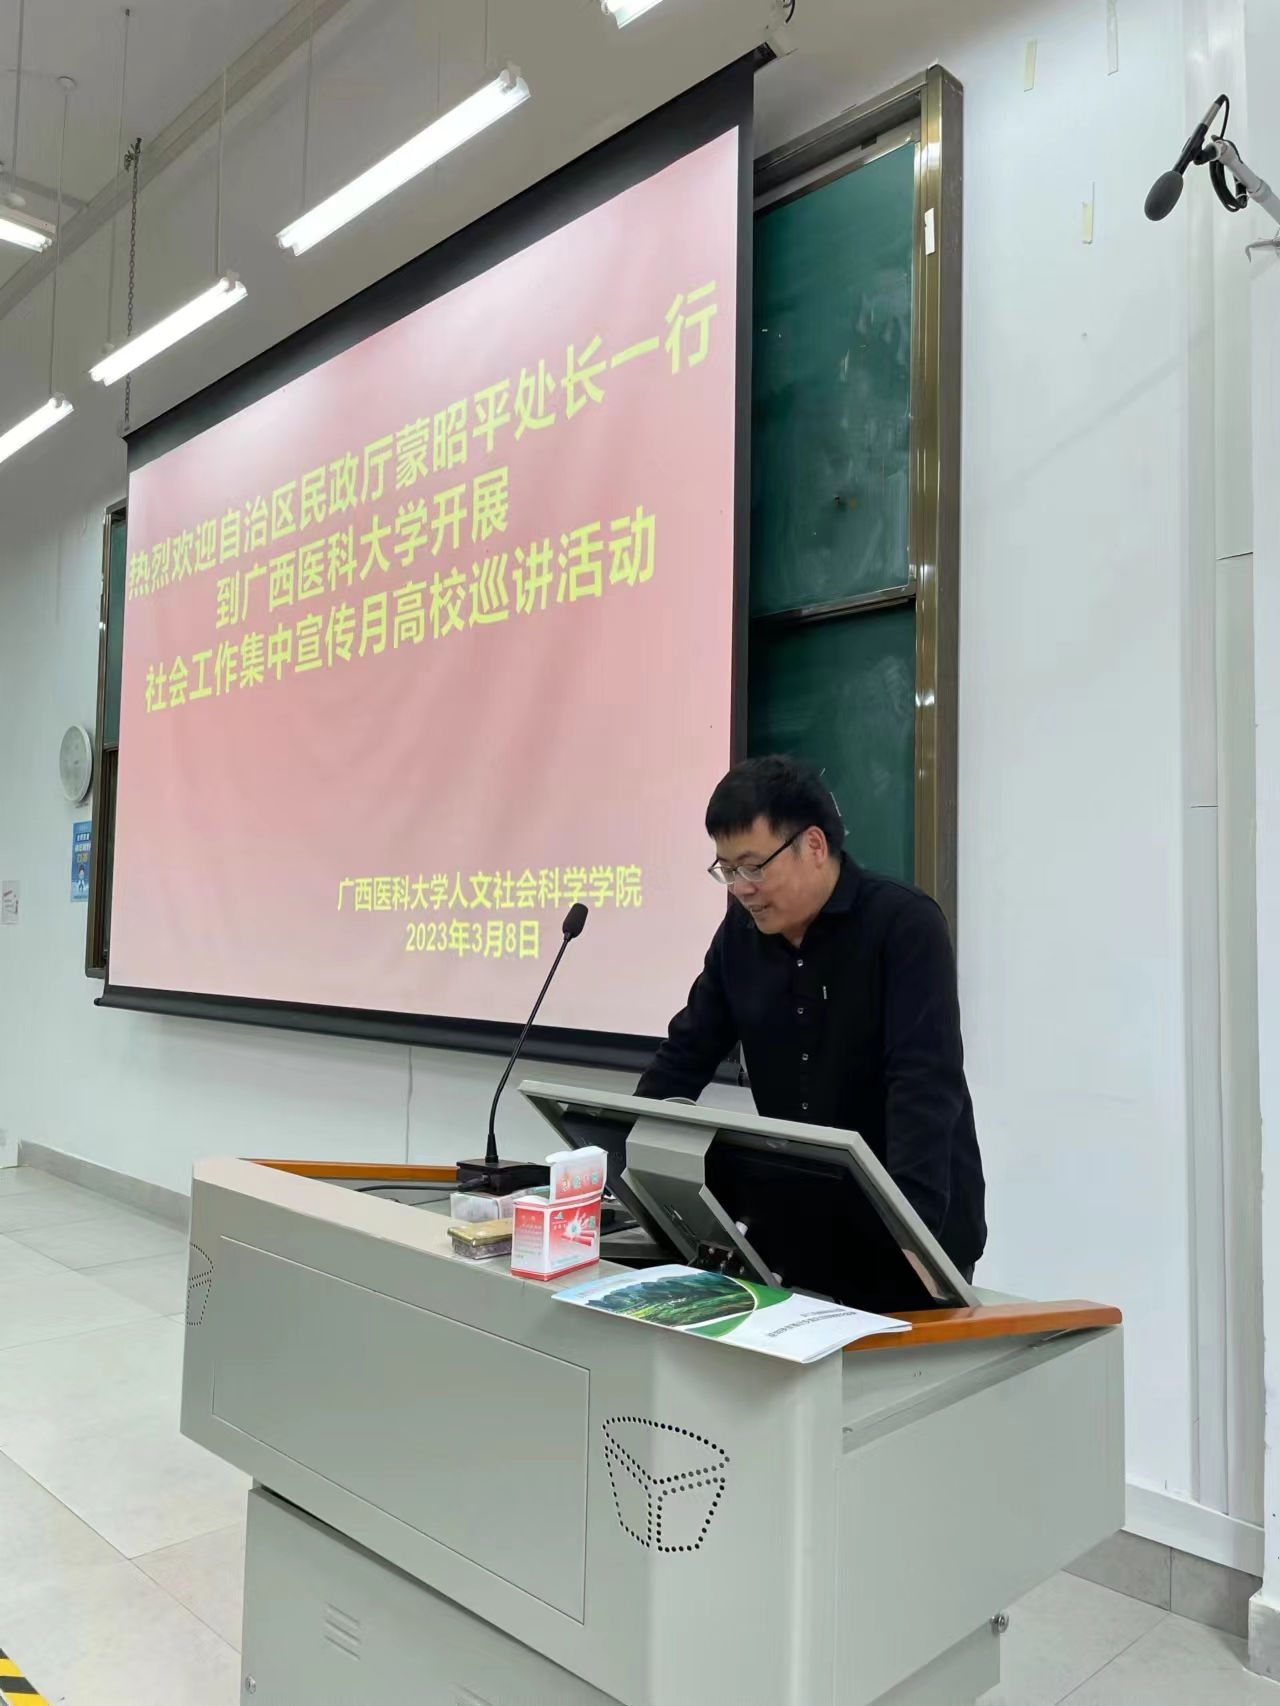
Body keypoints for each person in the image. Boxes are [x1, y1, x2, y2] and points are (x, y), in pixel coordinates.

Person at [636, 754, 986, 1280]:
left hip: (912, 1235)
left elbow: (923, 1086)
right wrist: (617, 1161)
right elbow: (686, 1052)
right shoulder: (740, 936)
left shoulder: (903, 925)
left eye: (753, 867)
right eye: (727, 870)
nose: (741, 888)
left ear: (815, 846)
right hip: (803, 1226)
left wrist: (912, 1239)